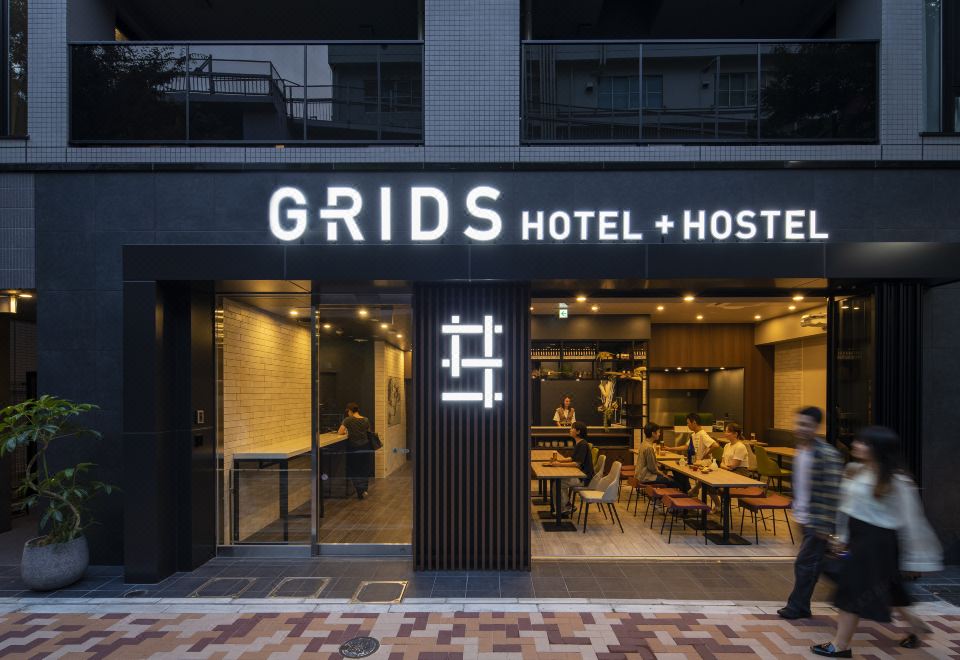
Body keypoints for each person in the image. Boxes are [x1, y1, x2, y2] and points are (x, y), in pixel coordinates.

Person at [811, 426, 942, 657]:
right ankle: (916, 626)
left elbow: (913, 521)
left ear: (878, 449)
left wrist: (915, 558)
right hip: (859, 540)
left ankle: (840, 646)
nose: (856, 445)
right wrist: (842, 537)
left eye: (864, 443)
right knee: (889, 588)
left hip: (878, 544)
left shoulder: (898, 481)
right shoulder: (855, 470)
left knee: (852, 592)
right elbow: (847, 507)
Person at [778, 406, 843, 620]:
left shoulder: (827, 454)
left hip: (818, 520)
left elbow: (833, 492)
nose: (800, 428)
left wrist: (825, 525)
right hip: (803, 516)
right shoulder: (801, 450)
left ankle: (797, 606)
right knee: (816, 563)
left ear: (816, 427)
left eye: (805, 425)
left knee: (805, 563)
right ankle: (852, 587)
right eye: (799, 424)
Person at [554, 421, 594, 514]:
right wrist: (559, 461)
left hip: (583, 478)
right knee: (557, 481)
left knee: (558, 483)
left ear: (578, 432)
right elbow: (572, 458)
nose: (570, 430)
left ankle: (565, 508)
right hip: (579, 475)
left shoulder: (583, 445)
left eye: (572, 428)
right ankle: (565, 506)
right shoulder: (579, 443)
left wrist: (559, 465)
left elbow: (577, 464)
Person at [635, 422, 688, 492]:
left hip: (640, 475)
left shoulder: (644, 443)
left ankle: (680, 498)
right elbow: (652, 469)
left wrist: (662, 473)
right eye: (658, 432)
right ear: (653, 433)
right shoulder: (649, 448)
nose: (659, 434)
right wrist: (663, 474)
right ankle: (682, 499)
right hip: (646, 477)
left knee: (676, 479)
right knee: (677, 482)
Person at [338, 402, 372, 499]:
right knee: (364, 469)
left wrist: (346, 431)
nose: (347, 413)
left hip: (354, 447)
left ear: (350, 411)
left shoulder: (348, 420)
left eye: (348, 411)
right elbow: (368, 431)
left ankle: (359, 490)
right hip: (366, 446)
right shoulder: (366, 419)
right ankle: (364, 489)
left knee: (354, 469)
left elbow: (340, 432)